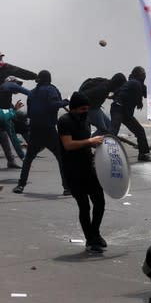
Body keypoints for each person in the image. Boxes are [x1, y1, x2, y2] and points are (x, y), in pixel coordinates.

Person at [58, 92, 106, 253]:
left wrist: (95, 145)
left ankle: (95, 233)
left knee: (99, 201)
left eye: (87, 108)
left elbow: (85, 142)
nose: (86, 111)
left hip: (88, 167)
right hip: (73, 169)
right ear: (74, 109)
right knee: (84, 206)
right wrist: (90, 141)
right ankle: (90, 240)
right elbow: (68, 145)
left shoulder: (85, 120)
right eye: (83, 109)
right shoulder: (64, 121)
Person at [13, 70, 70, 195]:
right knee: (61, 157)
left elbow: (30, 109)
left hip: (34, 129)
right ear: (49, 79)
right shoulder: (51, 90)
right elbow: (53, 104)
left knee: (28, 158)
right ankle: (66, 188)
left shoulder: (32, 93)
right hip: (48, 130)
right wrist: (66, 101)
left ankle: (20, 186)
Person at [110, 66, 151, 162]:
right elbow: (142, 95)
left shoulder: (135, 83)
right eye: (142, 74)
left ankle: (143, 154)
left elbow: (147, 93)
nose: (144, 75)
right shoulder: (135, 83)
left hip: (125, 112)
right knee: (113, 132)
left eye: (144, 74)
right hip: (118, 109)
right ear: (137, 74)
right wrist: (139, 102)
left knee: (140, 131)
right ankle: (106, 152)